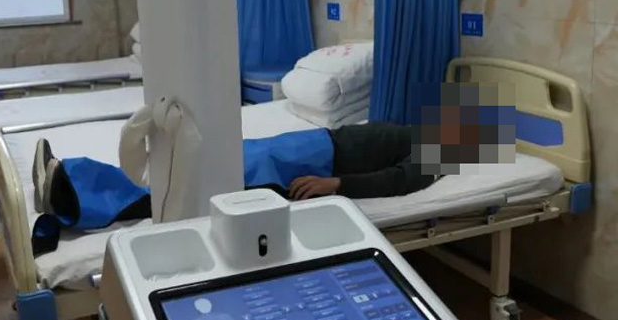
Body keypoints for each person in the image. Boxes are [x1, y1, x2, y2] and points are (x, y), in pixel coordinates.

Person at [31, 121, 433, 255]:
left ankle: (73, 197)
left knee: (198, 178)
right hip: (308, 146)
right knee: (198, 161)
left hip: (310, 165)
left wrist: (335, 184)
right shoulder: (426, 130)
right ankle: (75, 176)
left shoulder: (443, 152)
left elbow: (397, 181)